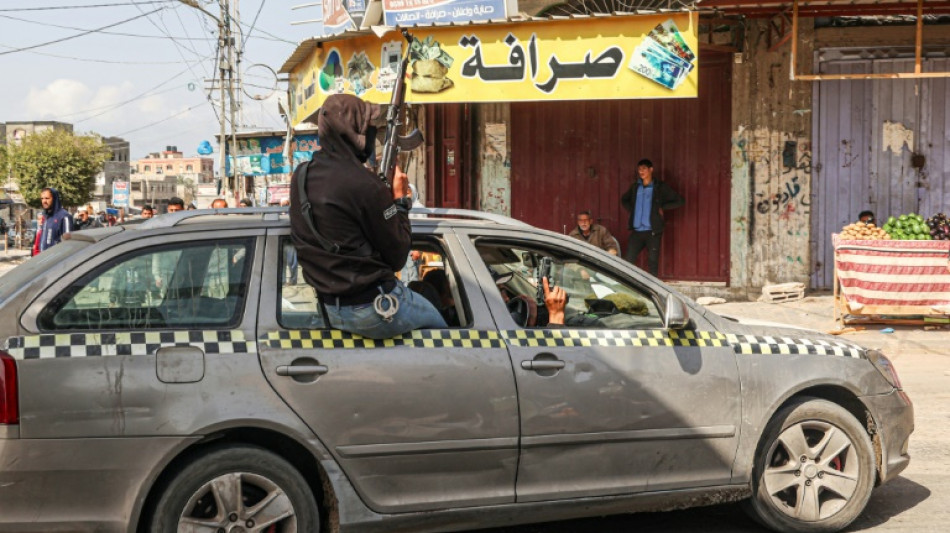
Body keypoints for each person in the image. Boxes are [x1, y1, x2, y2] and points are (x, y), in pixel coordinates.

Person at [289, 93, 446, 339]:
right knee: (447, 332)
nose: (372, 135)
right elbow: (397, 256)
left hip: (329, 308)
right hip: (375, 308)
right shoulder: (366, 185)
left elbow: (343, 226)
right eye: (369, 128)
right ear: (355, 133)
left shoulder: (301, 177)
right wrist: (399, 200)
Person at [620, 159, 684, 277]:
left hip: (652, 232)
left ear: (651, 170)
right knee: (628, 261)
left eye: (644, 168)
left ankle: (652, 290)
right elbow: (624, 199)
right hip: (637, 231)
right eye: (639, 169)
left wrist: (662, 207)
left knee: (653, 263)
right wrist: (633, 210)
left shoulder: (659, 187)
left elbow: (679, 201)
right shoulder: (635, 187)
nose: (641, 171)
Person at [36, 187, 72, 254]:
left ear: (54, 199)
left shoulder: (64, 216)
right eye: (42, 198)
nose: (44, 201)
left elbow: (68, 243)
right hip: (43, 259)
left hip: (56, 260)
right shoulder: (45, 216)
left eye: (47, 198)